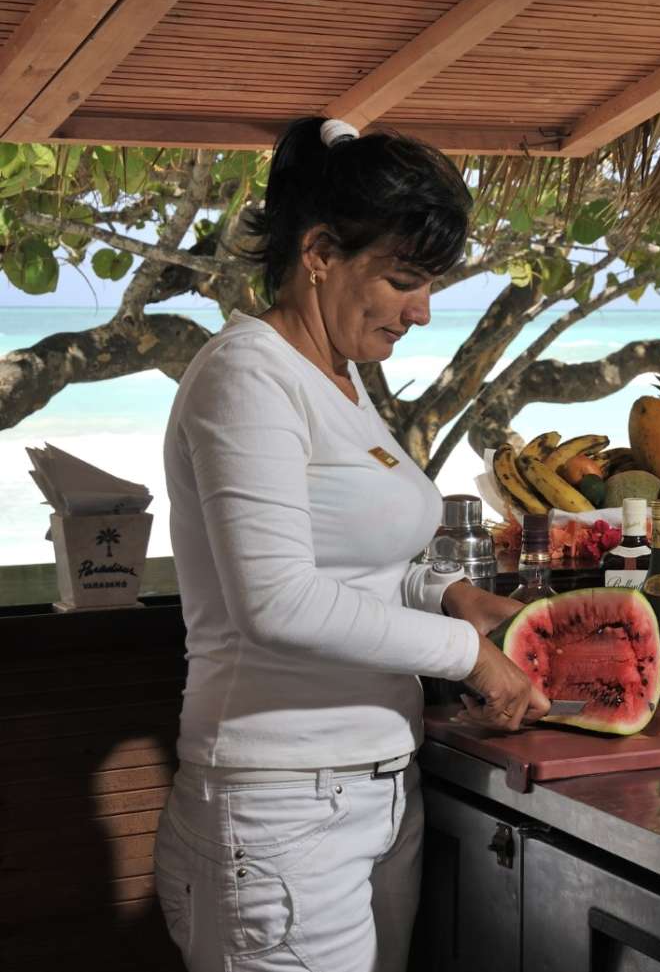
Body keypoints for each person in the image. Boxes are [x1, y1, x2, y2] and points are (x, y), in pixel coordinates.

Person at [153, 117, 546, 972]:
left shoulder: (340, 374)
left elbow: (352, 566)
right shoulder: (245, 376)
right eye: (403, 279)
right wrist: (465, 652)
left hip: (372, 786)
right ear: (320, 251)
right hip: (277, 806)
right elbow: (276, 601)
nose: (423, 309)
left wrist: (444, 594)